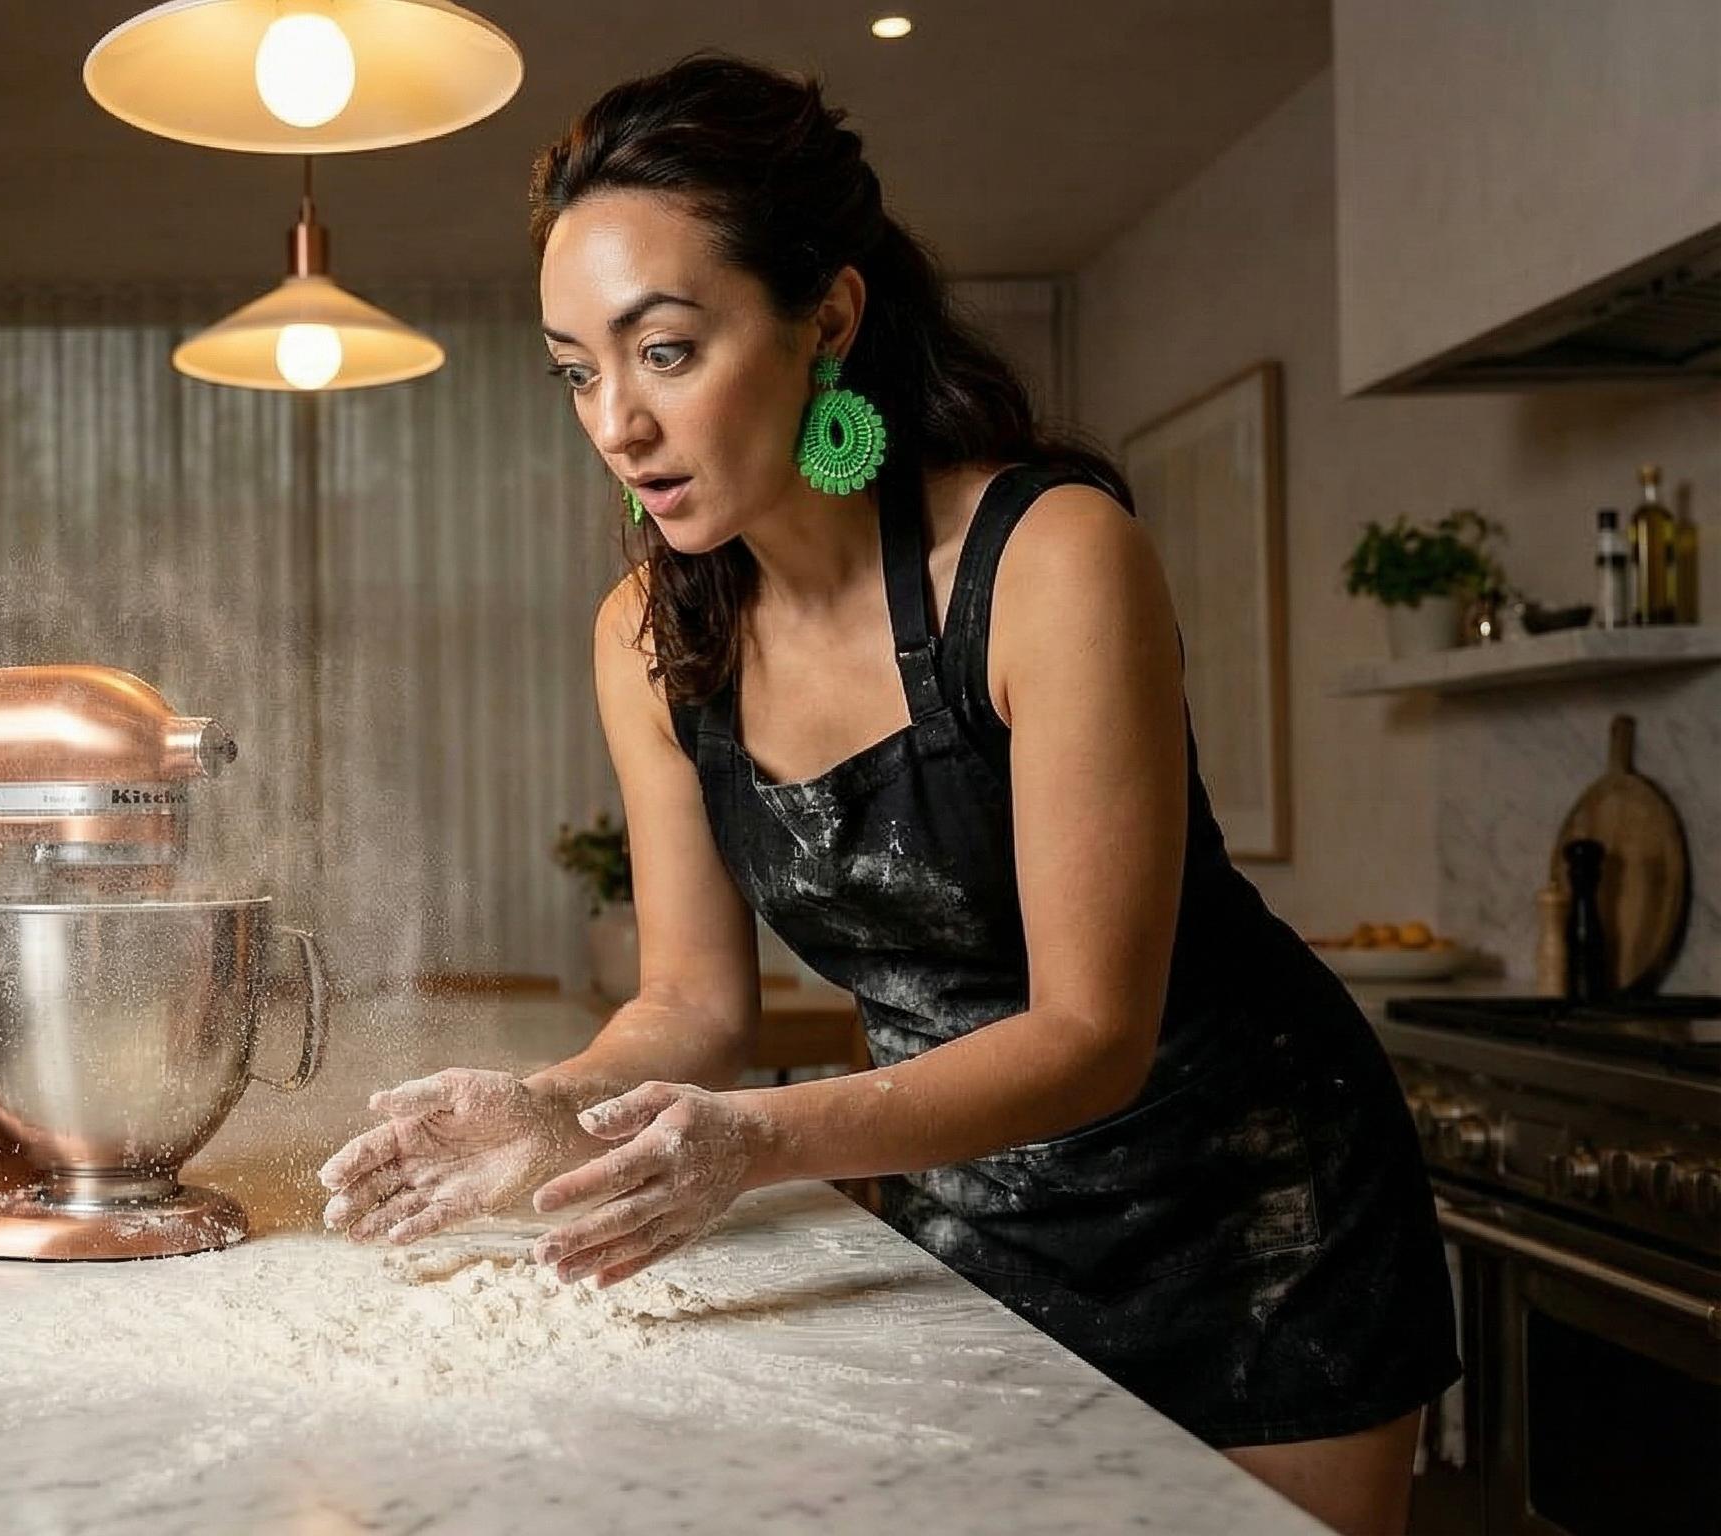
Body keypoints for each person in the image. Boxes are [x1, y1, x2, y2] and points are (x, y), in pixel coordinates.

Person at [315, 55, 1458, 1536]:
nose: (616, 423)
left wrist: (761, 1141)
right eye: (578, 371)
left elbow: (1092, 1035)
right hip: (965, 1216)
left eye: (665, 350)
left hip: (1256, 1217)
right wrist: (550, 1108)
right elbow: (692, 1005)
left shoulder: (1048, 559)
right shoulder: (651, 639)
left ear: (830, 320)